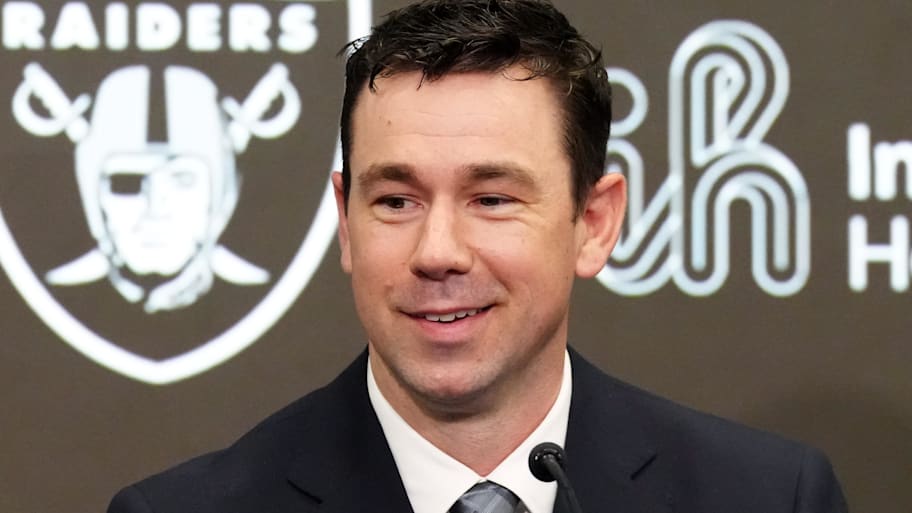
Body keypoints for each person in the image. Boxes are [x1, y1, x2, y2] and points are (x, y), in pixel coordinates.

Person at [108, 1, 848, 512]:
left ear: (593, 222)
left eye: (491, 198)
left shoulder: (767, 496)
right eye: (395, 200)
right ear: (345, 220)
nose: (437, 252)